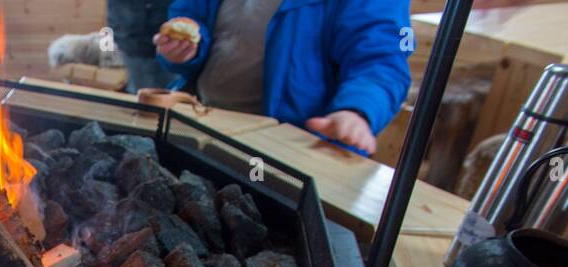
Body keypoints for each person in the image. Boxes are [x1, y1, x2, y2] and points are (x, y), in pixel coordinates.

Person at [153, 0, 412, 154]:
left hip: (293, 150)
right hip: (204, 124)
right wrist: (185, 51)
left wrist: (358, 110)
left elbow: (381, 59)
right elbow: (192, 19)